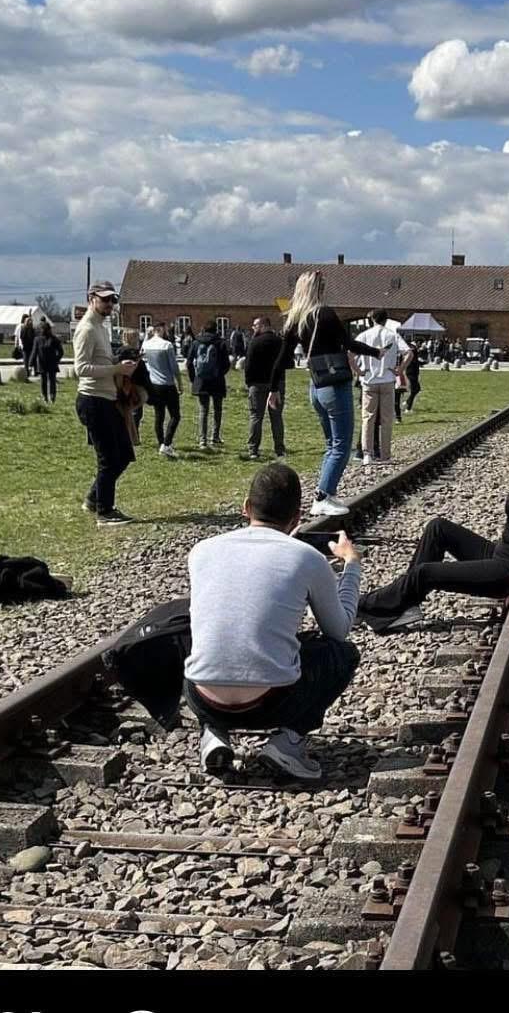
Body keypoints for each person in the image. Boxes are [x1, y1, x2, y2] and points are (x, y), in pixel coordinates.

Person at [183, 463, 362, 779]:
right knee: (342, 654)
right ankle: (287, 743)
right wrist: (351, 565)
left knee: (207, 639)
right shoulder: (307, 558)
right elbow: (339, 629)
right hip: (274, 703)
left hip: (203, 697)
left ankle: (214, 734)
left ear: (246, 508)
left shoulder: (201, 551)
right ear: (295, 519)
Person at [357, 419, 509, 633]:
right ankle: (404, 604)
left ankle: (360, 606)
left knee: (425, 572)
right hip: (499, 553)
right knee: (438, 528)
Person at [270, 270, 382, 517]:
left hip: (317, 387)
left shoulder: (295, 318)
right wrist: (376, 352)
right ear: (318, 289)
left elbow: (282, 358)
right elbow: (349, 344)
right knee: (341, 444)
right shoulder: (325, 313)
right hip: (335, 385)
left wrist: (273, 388)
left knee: (331, 444)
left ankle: (327, 493)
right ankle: (322, 496)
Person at [73, 281, 139, 526]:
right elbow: (80, 368)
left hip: (107, 399)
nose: (110, 304)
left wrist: (122, 361)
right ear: (92, 298)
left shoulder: (101, 327)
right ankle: (105, 511)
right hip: (92, 400)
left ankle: (93, 499)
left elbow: (101, 360)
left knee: (122, 455)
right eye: (105, 299)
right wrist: (115, 368)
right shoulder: (87, 328)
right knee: (109, 458)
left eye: (113, 300)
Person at [354, 308, 409, 464]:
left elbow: (350, 354)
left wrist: (359, 371)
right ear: (386, 320)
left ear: (373, 319)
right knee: (386, 420)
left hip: (369, 381)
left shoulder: (364, 335)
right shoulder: (393, 335)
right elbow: (409, 353)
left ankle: (367, 454)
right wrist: (400, 370)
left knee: (368, 418)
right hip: (387, 380)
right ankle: (385, 455)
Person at [244, 315, 287, 461]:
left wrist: (248, 382)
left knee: (256, 416)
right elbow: (286, 363)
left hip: (257, 383)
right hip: (277, 383)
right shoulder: (279, 341)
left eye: (255, 325)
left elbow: (248, 364)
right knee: (276, 417)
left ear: (263, 325)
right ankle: (279, 449)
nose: (253, 328)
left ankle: (253, 449)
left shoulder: (254, 342)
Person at [186, 320, 230, 450]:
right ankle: (215, 436)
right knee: (217, 409)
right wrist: (220, 373)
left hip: (201, 380)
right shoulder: (220, 343)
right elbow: (226, 364)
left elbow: (189, 362)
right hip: (217, 380)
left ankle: (202, 440)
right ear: (216, 329)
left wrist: (193, 378)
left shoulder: (196, 342)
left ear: (203, 329)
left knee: (203, 410)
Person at [142, 325, 183, 458]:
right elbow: (174, 367)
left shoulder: (147, 345)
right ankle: (166, 443)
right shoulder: (167, 345)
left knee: (159, 416)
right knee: (175, 416)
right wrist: (180, 383)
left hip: (154, 384)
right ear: (161, 331)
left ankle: (161, 443)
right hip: (168, 384)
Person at [116, 328, 151, 444]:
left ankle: (129, 436)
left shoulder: (118, 351)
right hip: (134, 386)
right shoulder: (133, 353)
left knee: (124, 412)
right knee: (134, 414)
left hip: (120, 385)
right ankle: (132, 437)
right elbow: (141, 372)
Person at [31, 320, 64, 403]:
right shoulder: (37, 339)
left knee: (52, 380)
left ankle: (52, 396)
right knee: (43, 380)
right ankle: (44, 396)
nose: (43, 331)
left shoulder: (54, 339)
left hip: (52, 363)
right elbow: (34, 351)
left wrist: (56, 359)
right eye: (42, 329)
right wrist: (31, 362)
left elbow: (61, 351)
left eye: (45, 329)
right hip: (42, 363)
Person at [395, 340, 422, 417]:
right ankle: (408, 408)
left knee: (417, 389)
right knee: (414, 390)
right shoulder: (411, 350)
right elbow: (413, 360)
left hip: (412, 371)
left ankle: (407, 402)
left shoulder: (407, 350)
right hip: (412, 372)